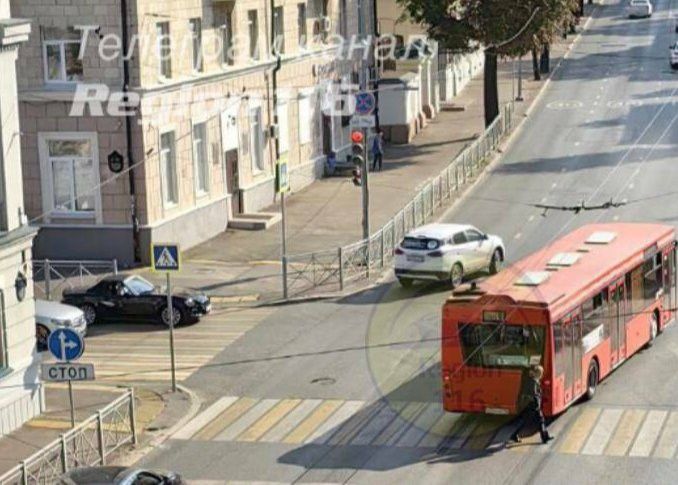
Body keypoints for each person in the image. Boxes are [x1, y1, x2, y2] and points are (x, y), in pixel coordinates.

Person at [509, 364, 553, 444]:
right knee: (531, 421)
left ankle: (545, 437)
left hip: (532, 405)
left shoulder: (532, 380)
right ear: (537, 373)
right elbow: (534, 395)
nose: (542, 375)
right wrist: (538, 405)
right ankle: (514, 435)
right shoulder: (533, 382)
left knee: (540, 421)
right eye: (541, 373)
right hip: (532, 405)